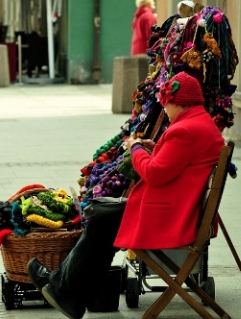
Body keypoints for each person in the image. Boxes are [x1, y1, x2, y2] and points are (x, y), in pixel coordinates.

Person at [27, 71, 225, 319]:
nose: (164, 110)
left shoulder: (184, 130)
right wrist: (156, 149)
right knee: (104, 220)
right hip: (180, 209)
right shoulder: (201, 122)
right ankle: (66, 290)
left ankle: (65, 290)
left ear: (178, 102)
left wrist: (137, 148)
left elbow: (153, 173)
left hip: (171, 216)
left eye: (166, 104)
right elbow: (175, 163)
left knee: (102, 220)